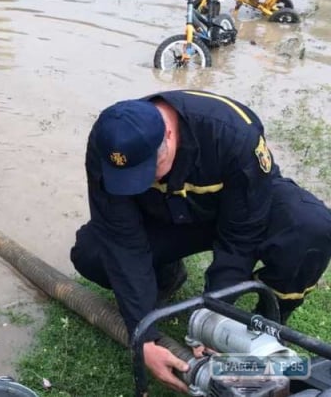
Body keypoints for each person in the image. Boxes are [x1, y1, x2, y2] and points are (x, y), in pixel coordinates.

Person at [70, 90, 331, 394]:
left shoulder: (233, 134)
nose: (140, 183)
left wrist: (217, 318)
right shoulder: (109, 145)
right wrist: (144, 336)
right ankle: (167, 278)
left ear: (168, 135)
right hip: (169, 214)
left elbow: (240, 238)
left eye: (148, 170)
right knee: (92, 252)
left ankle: (263, 326)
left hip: (240, 208)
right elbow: (120, 239)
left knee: (311, 227)